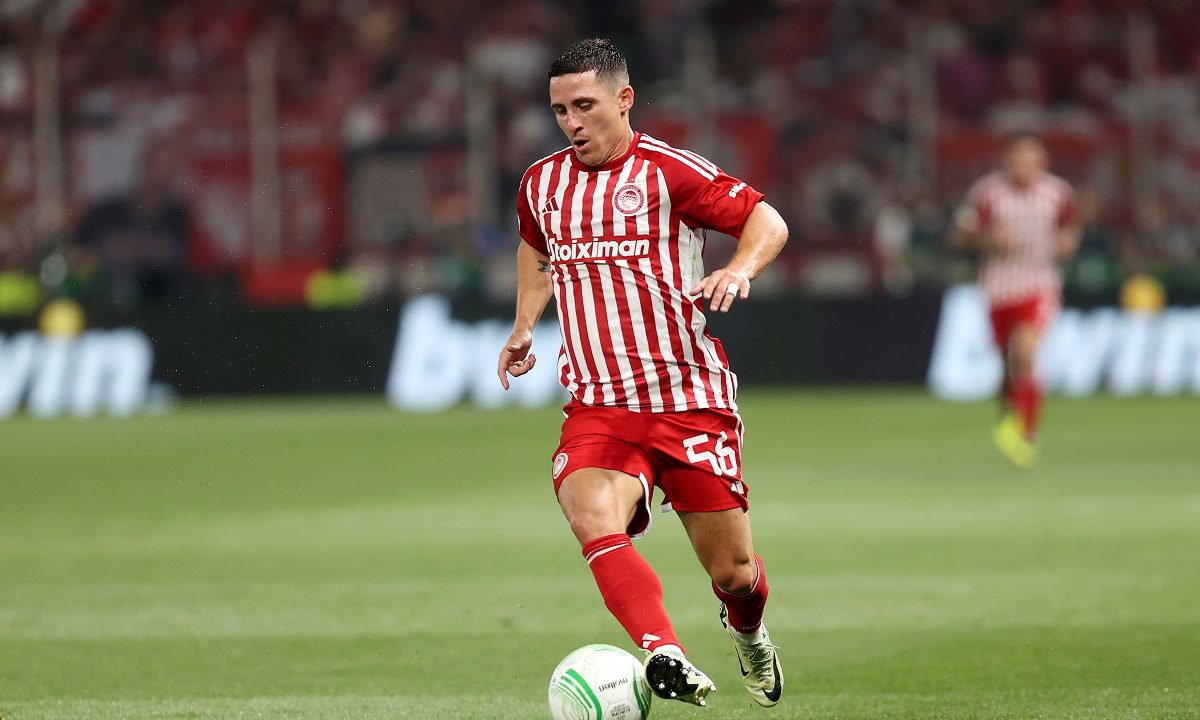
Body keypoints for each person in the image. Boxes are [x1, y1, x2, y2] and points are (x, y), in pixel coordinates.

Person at [496, 39, 788, 708]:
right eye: (560, 110)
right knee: (589, 511)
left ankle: (748, 631)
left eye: (584, 106)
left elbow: (766, 221)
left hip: (687, 397)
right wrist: (523, 324)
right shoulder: (541, 184)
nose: (571, 123)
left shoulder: (669, 172)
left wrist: (739, 269)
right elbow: (536, 249)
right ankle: (663, 651)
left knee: (734, 573)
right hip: (599, 404)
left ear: (624, 99)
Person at [955, 133, 1080, 468]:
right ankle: (1008, 413)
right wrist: (988, 240)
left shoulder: (1058, 193)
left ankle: (1027, 435)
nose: (1024, 164)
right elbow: (961, 236)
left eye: (1030, 157)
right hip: (998, 289)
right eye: (1018, 157)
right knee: (1007, 366)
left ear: (1042, 162)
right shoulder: (987, 193)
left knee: (1025, 354)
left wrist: (1067, 243)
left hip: (1039, 285)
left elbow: (1070, 228)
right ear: (1006, 161)